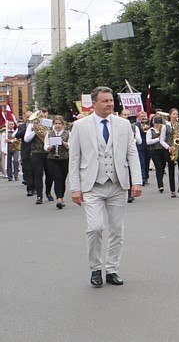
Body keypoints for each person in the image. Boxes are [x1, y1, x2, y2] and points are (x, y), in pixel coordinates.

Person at [68, 86, 143, 287]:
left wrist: (136, 180)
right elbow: (74, 159)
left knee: (117, 230)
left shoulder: (123, 124)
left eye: (111, 100)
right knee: (95, 228)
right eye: (105, 101)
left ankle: (112, 269)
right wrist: (75, 188)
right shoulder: (80, 126)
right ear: (94, 104)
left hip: (118, 184)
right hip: (92, 185)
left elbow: (132, 153)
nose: (110, 104)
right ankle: (95, 268)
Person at [24, 108, 53, 204]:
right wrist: (34, 132)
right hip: (36, 152)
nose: (43, 118)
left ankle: (48, 193)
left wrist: (47, 135)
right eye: (41, 116)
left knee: (49, 174)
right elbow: (26, 139)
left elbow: (55, 137)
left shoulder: (50, 124)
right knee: (38, 174)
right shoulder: (32, 125)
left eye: (45, 116)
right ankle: (39, 196)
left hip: (48, 152)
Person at [159, 108, 179, 198]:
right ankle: (172, 190)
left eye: (177, 114)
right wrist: (168, 147)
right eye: (174, 114)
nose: (176, 116)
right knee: (171, 170)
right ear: (170, 115)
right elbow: (161, 140)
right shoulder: (165, 126)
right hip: (170, 149)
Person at [44, 116, 70, 209]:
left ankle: (61, 197)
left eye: (59, 124)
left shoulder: (67, 133)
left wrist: (64, 143)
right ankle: (58, 199)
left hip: (64, 158)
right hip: (52, 159)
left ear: (62, 124)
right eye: (56, 124)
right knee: (57, 178)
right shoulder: (50, 134)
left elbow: (71, 145)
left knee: (62, 179)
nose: (57, 125)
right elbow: (45, 146)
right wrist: (49, 147)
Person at [146, 115, 168, 193]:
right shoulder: (150, 131)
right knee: (158, 167)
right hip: (154, 151)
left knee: (162, 167)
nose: (157, 123)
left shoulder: (163, 129)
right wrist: (158, 139)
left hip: (163, 150)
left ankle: (160, 180)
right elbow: (148, 142)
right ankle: (160, 185)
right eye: (155, 121)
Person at [15, 111, 34, 196]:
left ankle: (36, 188)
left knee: (36, 171)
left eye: (31, 117)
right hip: (25, 151)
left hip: (35, 151)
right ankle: (30, 189)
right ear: (24, 118)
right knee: (28, 171)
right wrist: (27, 129)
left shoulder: (37, 126)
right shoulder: (21, 126)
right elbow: (17, 135)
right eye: (27, 117)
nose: (29, 118)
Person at [134, 111, 150, 186]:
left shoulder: (149, 124)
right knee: (142, 162)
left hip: (148, 145)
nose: (143, 118)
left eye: (144, 116)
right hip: (140, 146)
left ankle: (146, 177)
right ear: (138, 117)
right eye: (142, 116)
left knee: (147, 162)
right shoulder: (136, 125)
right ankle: (142, 178)